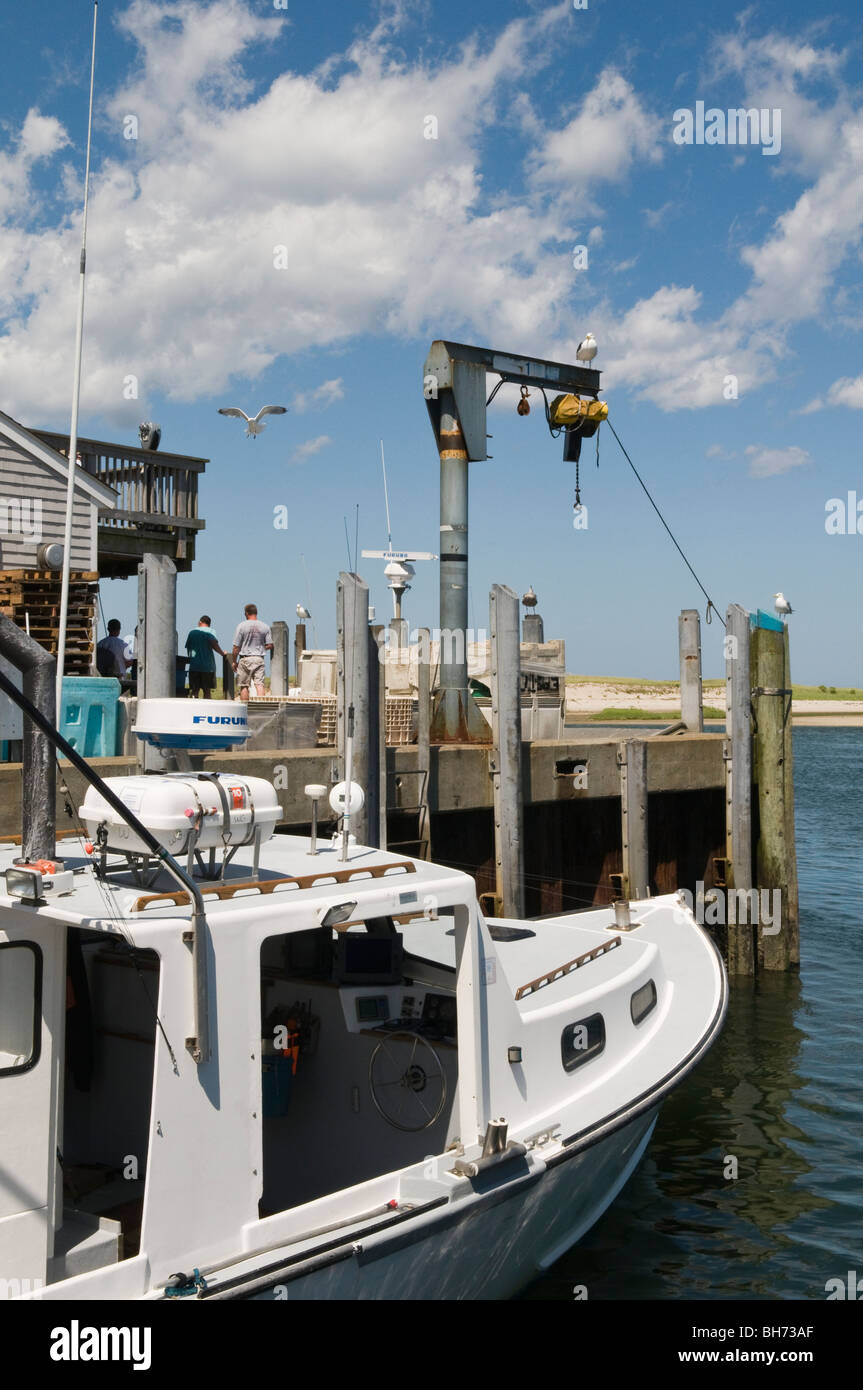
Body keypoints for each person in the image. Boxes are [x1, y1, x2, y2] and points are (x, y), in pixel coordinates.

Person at [231, 603, 273, 700]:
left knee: (244, 686)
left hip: (245, 658)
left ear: (246, 613)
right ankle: (261, 708)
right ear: (256, 612)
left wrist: (234, 661)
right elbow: (270, 645)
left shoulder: (241, 626)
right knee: (259, 684)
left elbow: (236, 647)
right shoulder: (265, 626)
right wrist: (261, 648)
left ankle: (245, 709)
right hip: (259, 658)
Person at [185, 616, 226, 699]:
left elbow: (188, 648)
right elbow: (213, 642)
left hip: (194, 666)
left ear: (200, 622)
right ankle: (206, 711)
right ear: (209, 624)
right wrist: (222, 653)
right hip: (208, 667)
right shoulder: (211, 631)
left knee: (194, 691)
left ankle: (192, 709)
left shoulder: (192, 632)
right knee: (207, 691)